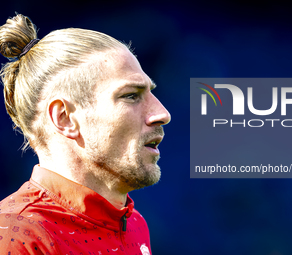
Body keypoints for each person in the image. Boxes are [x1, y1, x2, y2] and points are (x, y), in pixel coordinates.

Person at [0, 13, 170, 255]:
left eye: (151, 93)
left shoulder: (134, 225)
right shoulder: (15, 236)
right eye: (131, 95)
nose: (162, 113)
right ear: (65, 118)